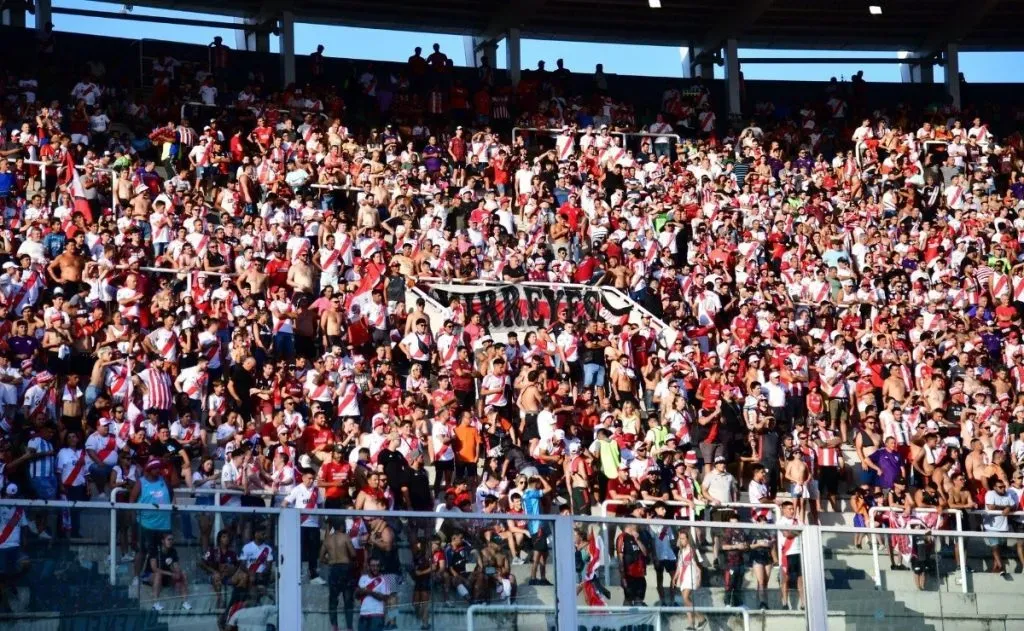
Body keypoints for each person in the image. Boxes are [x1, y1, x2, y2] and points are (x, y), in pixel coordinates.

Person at [320, 517, 357, 631]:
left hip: (333, 569)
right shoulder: (345, 537)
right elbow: (353, 554)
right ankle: (349, 627)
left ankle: (334, 626)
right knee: (348, 600)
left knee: (333, 600)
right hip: (345, 569)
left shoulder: (327, 540)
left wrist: (330, 561)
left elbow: (321, 558)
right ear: (341, 526)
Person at [147, 532, 192, 611]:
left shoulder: (173, 551)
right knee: (158, 575)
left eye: (172, 539)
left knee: (182, 574)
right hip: (152, 576)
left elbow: (177, 569)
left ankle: (185, 602)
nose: (171, 541)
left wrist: (171, 566)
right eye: (168, 539)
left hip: (168, 578)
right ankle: (155, 604)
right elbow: (154, 568)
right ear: (163, 541)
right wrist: (170, 573)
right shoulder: (155, 550)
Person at [355, 557, 392, 631]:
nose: (375, 568)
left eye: (377, 566)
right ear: (368, 566)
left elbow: (385, 598)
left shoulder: (384, 579)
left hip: (377, 615)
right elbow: (356, 596)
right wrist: (363, 591)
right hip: (363, 615)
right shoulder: (363, 578)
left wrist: (369, 592)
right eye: (373, 565)